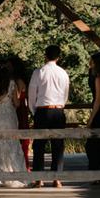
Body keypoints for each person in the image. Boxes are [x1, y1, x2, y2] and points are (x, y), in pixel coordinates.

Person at [27, 44, 70, 188]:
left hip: (42, 110)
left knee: (39, 145)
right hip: (58, 110)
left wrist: (34, 111)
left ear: (45, 55)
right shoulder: (63, 73)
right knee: (58, 145)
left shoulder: (38, 72)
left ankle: (39, 179)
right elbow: (65, 94)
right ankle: (56, 178)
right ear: (58, 57)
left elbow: (32, 94)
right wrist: (60, 106)